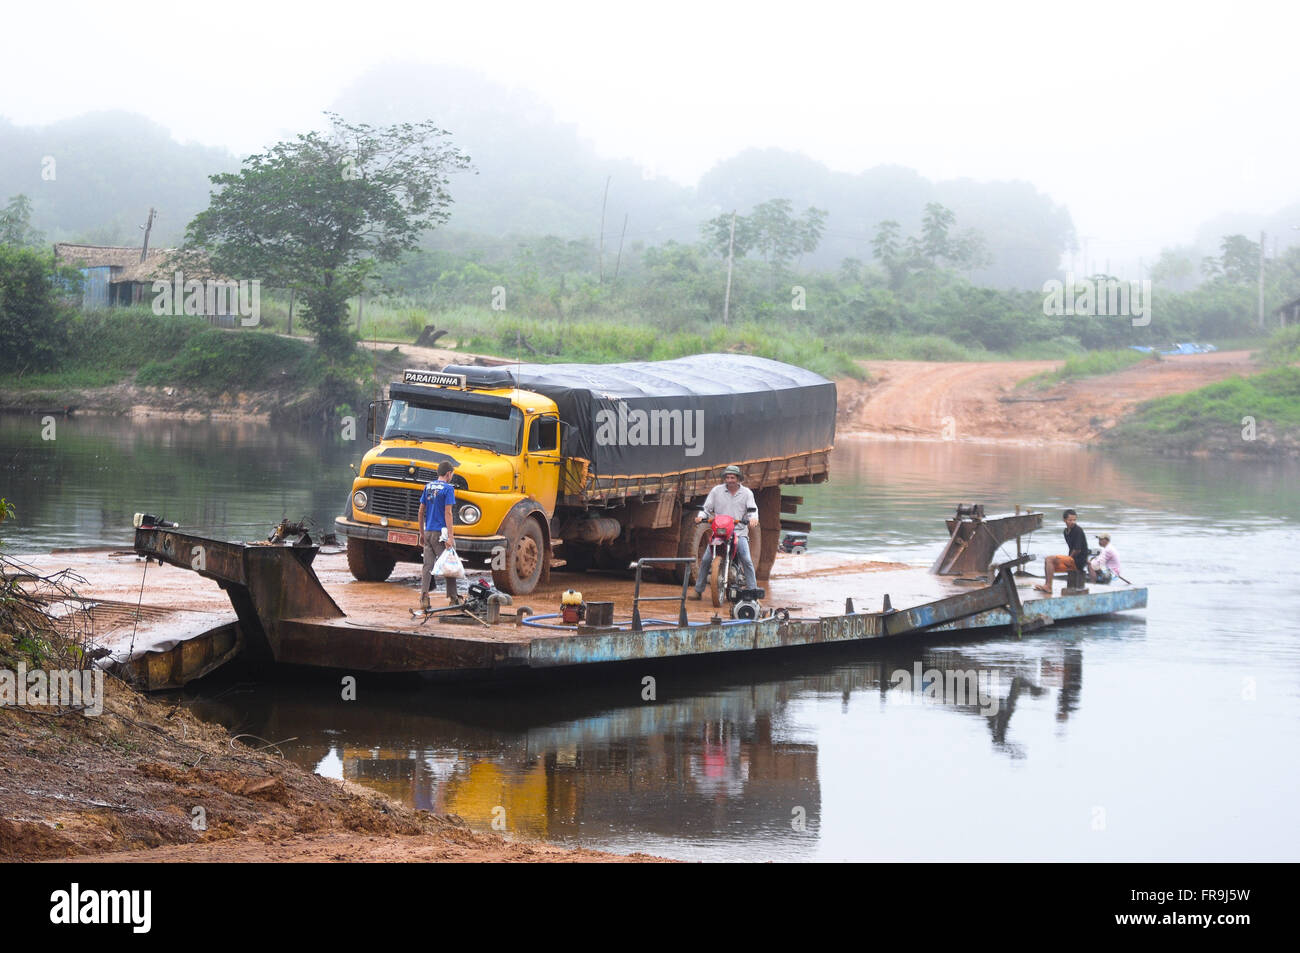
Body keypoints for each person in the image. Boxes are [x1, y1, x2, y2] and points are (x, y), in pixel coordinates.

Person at [689, 465, 758, 600]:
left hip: (739, 532)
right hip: (720, 532)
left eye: (732, 477)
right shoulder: (716, 491)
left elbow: (752, 510)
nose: (729, 480)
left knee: (746, 559)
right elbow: (706, 508)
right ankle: (698, 590)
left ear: (738, 479)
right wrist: (701, 516)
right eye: (727, 477)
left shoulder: (747, 493)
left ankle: (753, 592)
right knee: (706, 559)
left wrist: (753, 519)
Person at [417, 461, 459, 610]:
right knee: (449, 565)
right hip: (440, 535)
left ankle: (424, 598)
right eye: (452, 475)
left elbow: (421, 511)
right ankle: (453, 598)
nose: (451, 477)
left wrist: (421, 533)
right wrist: (451, 537)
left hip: (428, 532)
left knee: (427, 566)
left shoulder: (428, 487)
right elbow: (448, 513)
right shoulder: (448, 489)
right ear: (448, 474)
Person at [1035, 508, 1088, 595]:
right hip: (1072, 560)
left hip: (1078, 561)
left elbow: (1077, 549)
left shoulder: (1078, 530)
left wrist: (1068, 558)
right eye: (1070, 520)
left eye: (1074, 520)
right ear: (1064, 520)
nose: (1073, 522)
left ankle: (1048, 586)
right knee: (1048, 562)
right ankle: (1047, 586)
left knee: (1049, 559)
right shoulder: (1065, 532)